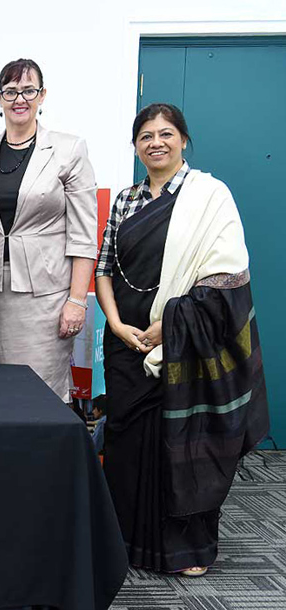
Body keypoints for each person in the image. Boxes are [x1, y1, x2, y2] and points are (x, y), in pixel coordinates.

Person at [95, 103, 268, 576]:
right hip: (127, 343)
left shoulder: (210, 198)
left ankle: (184, 551)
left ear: (184, 140)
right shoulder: (126, 200)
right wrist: (114, 324)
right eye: (146, 135)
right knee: (127, 444)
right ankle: (126, 541)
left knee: (181, 445)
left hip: (182, 345)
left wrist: (169, 327)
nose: (156, 142)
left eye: (166, 133)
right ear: (135, 145)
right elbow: (104, 270)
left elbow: (226, 277)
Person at [0, 58, 98, 401]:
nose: (19, 99)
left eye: (28, 90)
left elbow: (83, 233)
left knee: (39, 396)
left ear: (42, 95)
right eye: (10, 91)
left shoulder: (69, 149)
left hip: (47, 300)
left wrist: (77, 301)